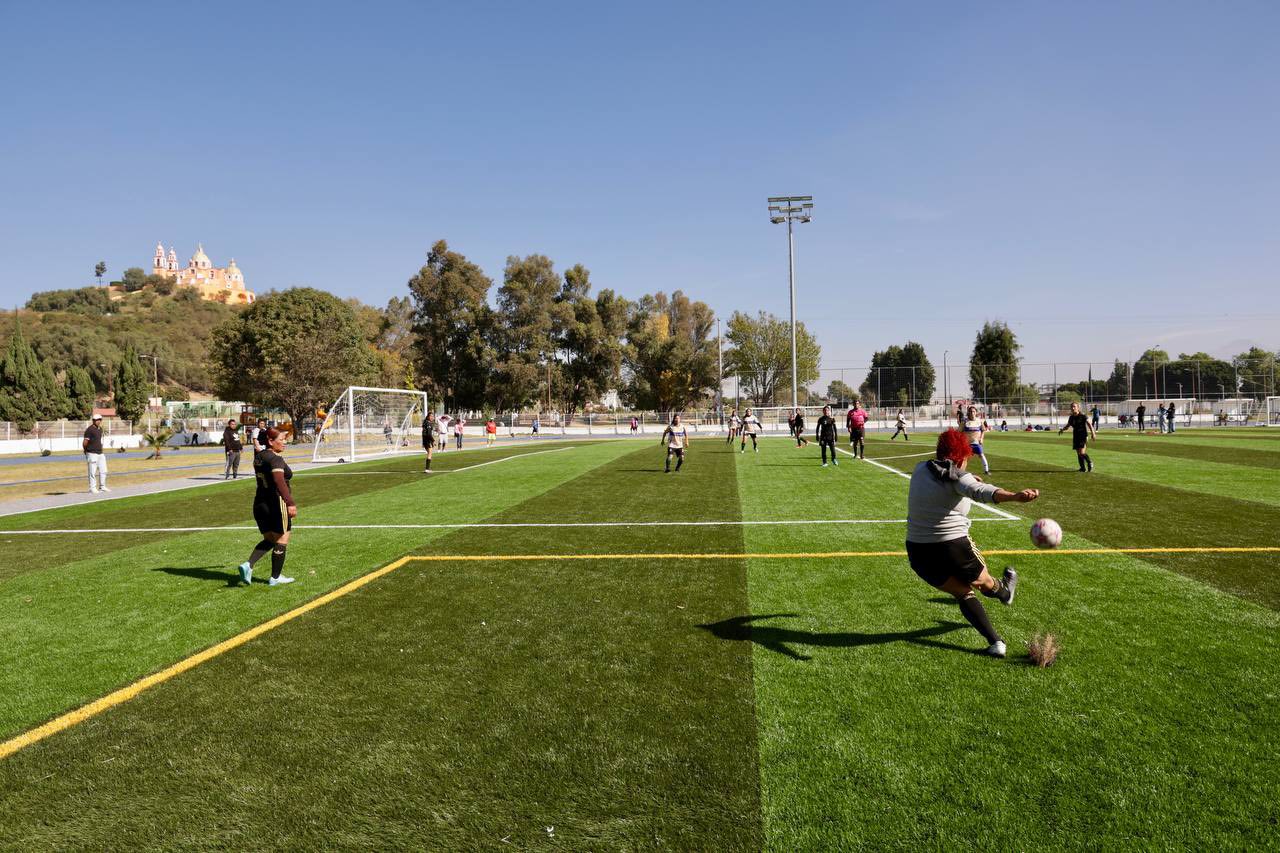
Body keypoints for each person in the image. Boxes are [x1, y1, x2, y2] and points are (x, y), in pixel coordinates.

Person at [906, 428, 1040, 657]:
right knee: (985, 582)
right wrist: (1015, 496)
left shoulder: (920, 468)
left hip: (918, 552)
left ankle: (996, 642)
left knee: (963, 593)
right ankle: (1005, 593)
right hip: (953, 546)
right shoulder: (961, 478)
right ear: (961, 457)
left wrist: (966, 479)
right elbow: (982, 491)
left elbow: (955, 480)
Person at [236, 428, 297, 587]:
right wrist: (289, 502)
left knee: (270, 539)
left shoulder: (259, 457)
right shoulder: (275, 459)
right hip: (276, 503)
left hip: (260, 503)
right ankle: (275, 578)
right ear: (270, 441)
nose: (285, 442)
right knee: (282, 539)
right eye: (282, 439)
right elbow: (279, 481)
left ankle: (248, 565)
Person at [1059, 400, 1098, 472]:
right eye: (1071, 407)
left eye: (1074, 406)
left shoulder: (1082, 416)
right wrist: (1062, 430)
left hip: (1083, 435)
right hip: (1076, 436)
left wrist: (1093, 433)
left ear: (1078, 408)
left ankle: (1090, 462)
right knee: (1078, 453)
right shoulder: (1071, 417)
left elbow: (1089, 424)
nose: (1073, 408)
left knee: (1082, 452)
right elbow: (1068, 426)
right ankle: (1082, 468)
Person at [959, 405, 991, 474]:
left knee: (982, 455)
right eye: (970, 411)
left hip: (976, 443)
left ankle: (986, 470)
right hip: (967, 444)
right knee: (964, 458)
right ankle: (961, 471)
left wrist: (981, 438)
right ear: (968, 413)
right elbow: (959, 432)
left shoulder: (979, 421)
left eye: (973, 411)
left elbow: (983, 430)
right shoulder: (964, 421)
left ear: (976, 412)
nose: (972, 413)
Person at [83, 413, 109, 494]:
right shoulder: (89, 430)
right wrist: (86, 451)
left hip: (100, 453)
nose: (98, 421)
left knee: (104, 470)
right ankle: (92, 488)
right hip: (91, 453)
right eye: (96, 420)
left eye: (99, 420)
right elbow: (85, 442)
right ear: (93, 421)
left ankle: (102, 486)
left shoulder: (100, 429)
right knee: (92, 472)